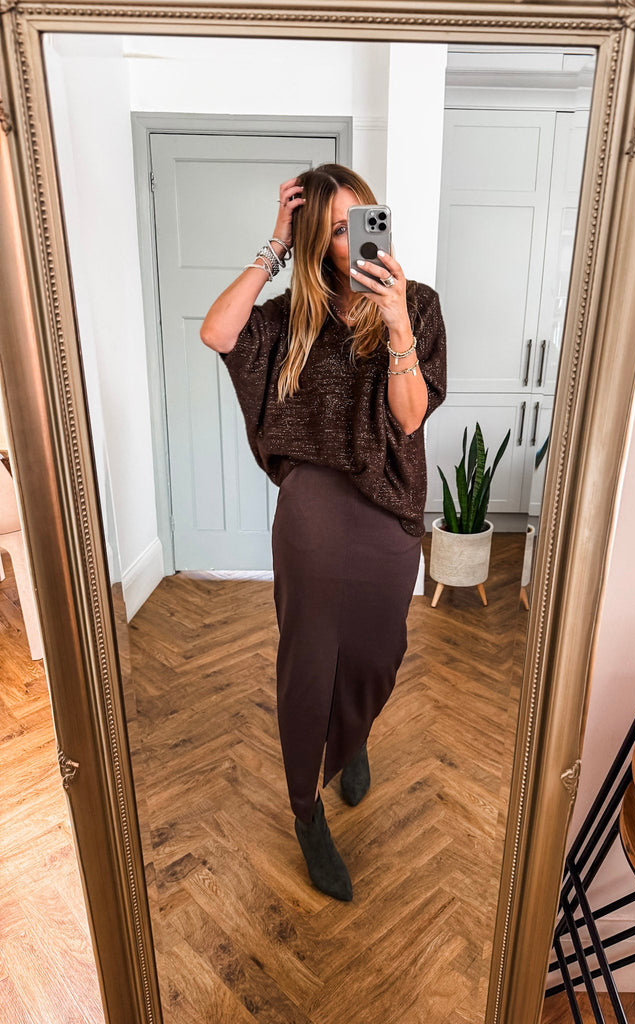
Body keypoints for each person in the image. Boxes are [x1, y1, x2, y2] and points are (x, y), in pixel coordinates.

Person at [200, 164, 446, 901]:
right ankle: (306, 810)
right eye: (337, 229)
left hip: (389, 504)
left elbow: (409, 417)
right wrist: (276, 242)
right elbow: (218, 331)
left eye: (362, 219)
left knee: (377, 653)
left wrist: (396, 323)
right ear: (316, 241)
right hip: (311, 505)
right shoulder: (289, 318)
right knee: (308, 661)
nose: (355, 239)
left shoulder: (418, 305)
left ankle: (354, 736)